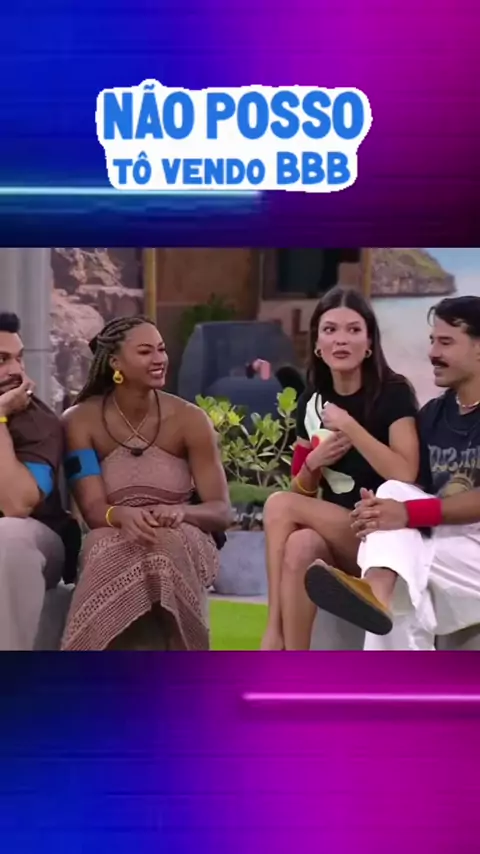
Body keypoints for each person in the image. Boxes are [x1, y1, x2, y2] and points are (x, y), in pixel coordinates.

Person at [304, 296, 480, 651]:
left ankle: (376, 591)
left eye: (446, 342)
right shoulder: (434, 414)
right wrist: (376, 512)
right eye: (432, 341)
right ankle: (377, 595)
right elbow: (410, 491)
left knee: (398, 548)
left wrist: (406, 513)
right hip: (447, 546)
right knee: (392, 495)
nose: (432, 353)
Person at [261, 286, 420, 651]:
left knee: (278, 504)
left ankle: (273, 634)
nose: (341, 339)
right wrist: (313, 464)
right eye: (330, 330)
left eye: (353, 330)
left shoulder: (393, 393)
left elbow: (406, 472)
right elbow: (300, 491)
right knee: (301, 542)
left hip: (386, 536)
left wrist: (350, 426)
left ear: (369, 343)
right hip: (341, 533)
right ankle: (295, 665)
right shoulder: (310, 402)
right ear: (318, 344)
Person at [61, 315, 232, 651]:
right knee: (104, 546)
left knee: (166, 541)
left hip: (183, 532)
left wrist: (182, 512)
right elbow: (93, 509)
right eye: (145, 351)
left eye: (161, 349)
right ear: (115, 362)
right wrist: (121, 515)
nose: (159, 359)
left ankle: (185, 659)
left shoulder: (190, 419)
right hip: (111, 529)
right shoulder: (80, 421)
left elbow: (222, 511)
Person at [0, 312, 72, 650]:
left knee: (8, 536)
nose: (15, 370)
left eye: (18, 358)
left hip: (36, 540)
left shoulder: (38, 422)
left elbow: (17, 504)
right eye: (2, 360)